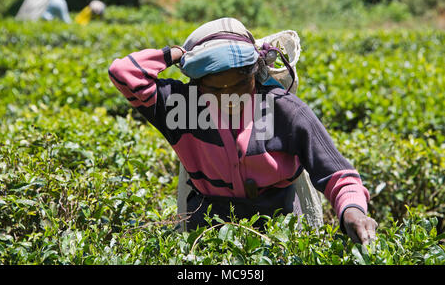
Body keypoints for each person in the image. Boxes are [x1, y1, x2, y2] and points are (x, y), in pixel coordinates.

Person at [108, 17, 378, 245]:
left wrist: (352, 211)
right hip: (207, 234)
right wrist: (177, 53)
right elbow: (124, 73)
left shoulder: (284, 111)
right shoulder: (182, 107)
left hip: (280, 233)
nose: (228, 97)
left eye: (239, 84)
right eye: (215, 89)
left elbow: (338, 174)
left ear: (254, 75)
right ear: (197, 85)